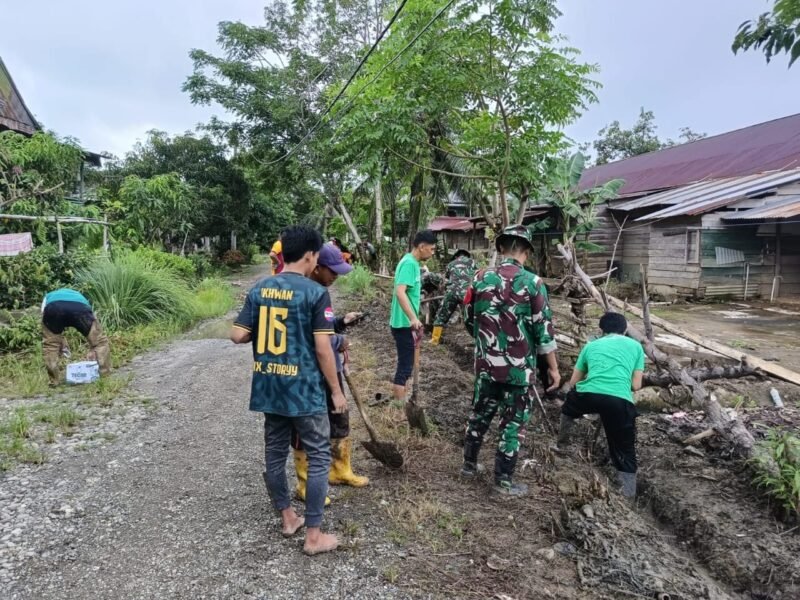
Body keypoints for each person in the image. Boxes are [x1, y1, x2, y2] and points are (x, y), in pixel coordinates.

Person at [230, 225, 345, 556]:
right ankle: (313, 536)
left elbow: (237, 335)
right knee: (319, 454)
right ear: (310, 256)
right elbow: (323, 348)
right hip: (304, 390)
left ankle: (287, 517)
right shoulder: (314, 293)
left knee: (274, 452)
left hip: (269, 387)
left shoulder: (261, 288)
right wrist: (335, 391)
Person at [461, 225, 560, 496]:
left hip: (486, 365)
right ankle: (503, 481)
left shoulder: (479, 278)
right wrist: (552, 368)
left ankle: (469, 465)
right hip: (519, 370)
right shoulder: (534, 283)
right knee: (513, 424)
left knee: (479, 414)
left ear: (500, 248)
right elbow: (544, 331)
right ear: (526, 251)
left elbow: (468, 320)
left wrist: (486, 343)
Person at [292, 242, 369, 504]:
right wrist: (337, 341)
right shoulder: (306, 293)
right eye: (332, 271)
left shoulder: (320, 290)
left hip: (331, 368)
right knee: (308, 427)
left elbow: (321, 327)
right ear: (316, 267)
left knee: (339, 419)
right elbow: (309, 339)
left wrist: (339, 322)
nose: (336, 276)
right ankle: (305, 484)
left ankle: (339, 470)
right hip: (311, 373)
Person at [555, 312, 645, 499]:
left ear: (601, 330)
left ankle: (562, 445)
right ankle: (629, 494)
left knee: (569, 407)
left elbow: (573, 382)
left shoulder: (591, 346)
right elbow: (636, 385)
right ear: (625, 329)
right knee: (624, 448)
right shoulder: (636, 347)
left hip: (589, 395)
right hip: (619, 401)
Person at [389, 230, 437, 405]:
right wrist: (412, 318)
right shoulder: (409, 264)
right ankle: (400, 407)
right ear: (422, 246)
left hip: (405, 323)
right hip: (403, 324)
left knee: (407, 365)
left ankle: (404, 400)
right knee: (405, 366)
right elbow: (400, 292)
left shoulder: (413, 264)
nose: (433, 253)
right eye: (431, 249)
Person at [41, 288, 111, 386]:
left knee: (50, 346)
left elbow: (44, 316)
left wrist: (58, 341)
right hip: (79, 308)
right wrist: (92, 347)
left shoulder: (48, 296)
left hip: (53, 308)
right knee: (100, 342)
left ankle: (54, 381)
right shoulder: (79, 296)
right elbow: (90, 315)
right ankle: (104, 375)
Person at [430, 249, 476, 345]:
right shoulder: (472, 263)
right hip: (467, 294)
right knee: (471, 317)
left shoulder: (451, 263)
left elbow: (446, 279)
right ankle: (478, 341)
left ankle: (434, 340)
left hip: (452, 292)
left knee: (442, 314)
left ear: (456, 256)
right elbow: (476, 276)